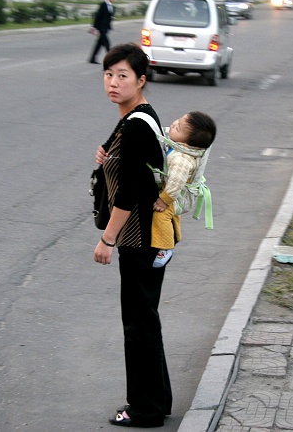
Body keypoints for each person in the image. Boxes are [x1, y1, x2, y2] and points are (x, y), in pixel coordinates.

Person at [93, 43, 171, 428]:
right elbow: (126, 160)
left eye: (123, 76)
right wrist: (107, 153)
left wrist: (107, 240)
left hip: (139, 238)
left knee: (138, 324)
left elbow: (131, 190)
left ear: (141, 80)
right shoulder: (137, 116)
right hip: (151, 239)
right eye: (108, 74)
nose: (113, 82)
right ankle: (157, 400)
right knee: (145, 319)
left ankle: (145, 410)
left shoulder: (137, 123)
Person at [151, 111, 217, 268]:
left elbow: (175, 183)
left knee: (161, 214)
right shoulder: (181, 145)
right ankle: (176, 235)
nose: (174, 124)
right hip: (178, 193)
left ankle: (165, 248)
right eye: (178, 120)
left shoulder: (182, 159)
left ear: (188, 143)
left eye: (178, 128)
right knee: (171, 214)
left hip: (178, 195)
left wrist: (164, 200)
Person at [89, 0, 116, 64]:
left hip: (106, 28)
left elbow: (110, 17)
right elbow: (97, 16)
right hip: (101, 28)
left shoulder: (112, 6)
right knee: (107, 43)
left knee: (99, 44)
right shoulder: (103, 5)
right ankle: (111, 60)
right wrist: (94, 26)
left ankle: (92, 58)